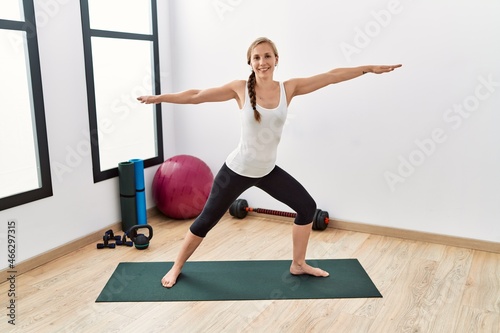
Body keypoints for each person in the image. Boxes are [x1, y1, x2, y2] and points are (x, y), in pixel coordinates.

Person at [138, 37, 401, 288]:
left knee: (307, 207)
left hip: (266, 171)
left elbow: (330, 77)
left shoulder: (289, 88)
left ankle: (298, 264)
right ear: (250, 63)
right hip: (236, 171)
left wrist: (367, 69)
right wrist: (160, 98)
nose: (262, 61)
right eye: (256, 57)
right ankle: (176, 267)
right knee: (205, 221)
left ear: (276, 59)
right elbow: (197, 95)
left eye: (267, 56)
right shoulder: (239, 88)